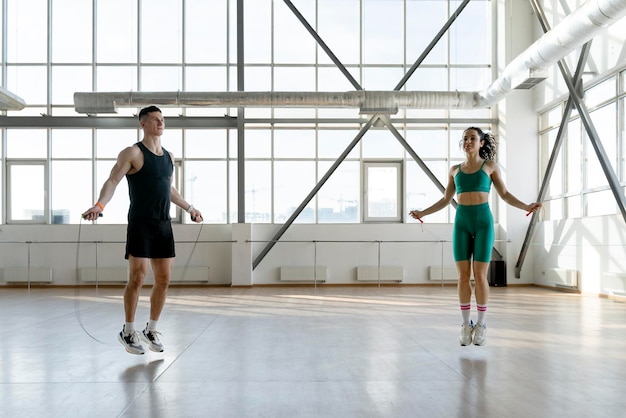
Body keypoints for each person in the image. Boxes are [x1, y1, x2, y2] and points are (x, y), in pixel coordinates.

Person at [82, 105, 203, 355]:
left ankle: (151, 329)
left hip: (163, 224)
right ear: (143, 124)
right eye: (155, 119)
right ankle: (127, 331)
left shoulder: (168, 156)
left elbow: (168, 189)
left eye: (162, 119)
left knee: (164, 280)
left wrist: (190, 207)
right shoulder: (133, 153)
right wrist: (99, 204)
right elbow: (113, 180)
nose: (160, 123)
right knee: (137, 278)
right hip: (140, 223)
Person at [409, 127, 541, 346]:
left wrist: (526, 206)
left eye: (472, 138)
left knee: (480, 276)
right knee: (462, 277)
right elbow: (445, 200)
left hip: (483, 222)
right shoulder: (454, 170)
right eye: (465, 139)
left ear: (481, 143)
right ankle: (464, 324)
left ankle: (481, 324)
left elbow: (505, 195)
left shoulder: (489, 167)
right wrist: (422, 213)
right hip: (462, 222)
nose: (468, 141)